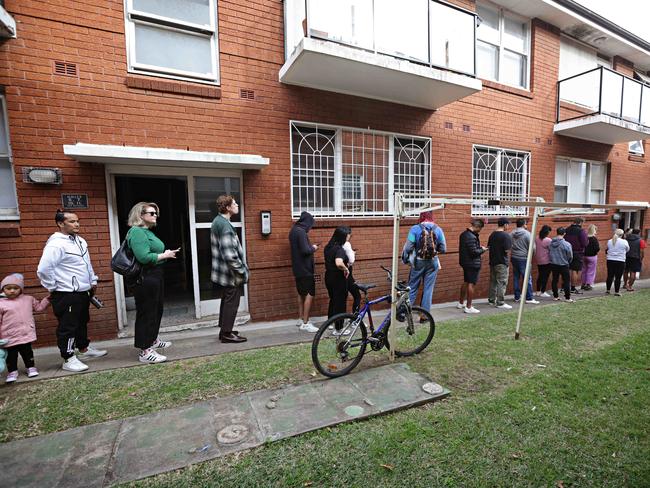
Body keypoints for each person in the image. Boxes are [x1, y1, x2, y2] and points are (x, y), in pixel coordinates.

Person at [37, 210, 107, 373]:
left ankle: (83, 349)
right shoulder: (56, 244)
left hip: (83, 291)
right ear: (61, 224)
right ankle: (68, 358)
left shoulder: (80, 241)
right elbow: (44, 269)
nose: (77, 224)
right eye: (72, 221)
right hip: (66, 293)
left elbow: (86, 263)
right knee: (68, 326)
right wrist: (54, 287)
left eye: (77, 221)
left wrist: (93, 280)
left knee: (82, 321)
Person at [127, 202, 179, 363]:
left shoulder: (146, 231)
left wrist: (164, 255)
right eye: (151, 213)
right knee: (147, 312)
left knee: (156, 309)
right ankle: (145, 350)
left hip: (154, 274)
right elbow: (143, 257)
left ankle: (153, 340)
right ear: (140, 215)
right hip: (145, 277)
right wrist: (165, 255)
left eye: (156, 213)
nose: (155, 215)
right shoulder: (136, 232)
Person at [211, 195, 249, 343]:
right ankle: (227, 334)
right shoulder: (225, 225)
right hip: (230, 273)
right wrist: (242, 270)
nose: (237, 205)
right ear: (227, 207)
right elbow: (229, 254)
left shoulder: (219, 221)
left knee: (227, 301)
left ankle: (225, 330)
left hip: (224, 273)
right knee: (232, 302)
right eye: (234, 203)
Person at [0, 273, 49, 383]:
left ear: (21, 289)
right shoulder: (1, 303)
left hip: (26, 333)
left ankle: (30, 367)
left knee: (27, 352)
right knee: (11, 356)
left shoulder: (28, 299)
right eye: (8, 288)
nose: (12, 291)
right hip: (9, 336)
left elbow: (39, 307)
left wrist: (48, 299)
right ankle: (12, 371)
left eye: (15, 288)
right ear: (3, 289)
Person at [401, 211, 446, 316]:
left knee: (412, 287)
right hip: (433, 262)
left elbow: (408, 247)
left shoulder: (415, 229)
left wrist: (406, 259)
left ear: (421, 216)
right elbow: (443, 249)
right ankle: (425, 316)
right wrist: (433, 250)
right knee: (428, 289)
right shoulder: (438, 229)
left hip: (418, 262)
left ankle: (404, 313)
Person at [289, 211, 319, 332]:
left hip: (297, 268)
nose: (310, 228)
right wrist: (314, 248)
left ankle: (301, 318)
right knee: (309, 294)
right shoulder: (300, 232)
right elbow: (306, 250)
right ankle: (306, 323)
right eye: (310, 224)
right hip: (305, 269)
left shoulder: (293, 230)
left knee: (301, 293)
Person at [457, 219, 487, 314]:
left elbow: (470, 249)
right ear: (477, 227)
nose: (480, 231)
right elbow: (473, 252)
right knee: (471, 283)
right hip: (472, 263)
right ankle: (469, 307)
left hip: (465, 262)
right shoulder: (471, 236)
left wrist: (479, 248)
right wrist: (482, 250)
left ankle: (461, 302)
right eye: (480, 229)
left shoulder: (464, 234)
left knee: (466, 282)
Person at [323, 226, 351, 326]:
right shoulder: (339, 249)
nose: (349, 237)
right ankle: (339, 328)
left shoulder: (328, 247)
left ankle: (329, 323)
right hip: (338, 278)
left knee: (333, 300)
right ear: (342, 237)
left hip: (328, 276)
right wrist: (346, 268)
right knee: (340, 302)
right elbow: (339, 262)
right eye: (348, 235)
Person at [510, 218, 539, 304]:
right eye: (526, 224)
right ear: (523, 225)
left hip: (514, 257)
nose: (526, 225)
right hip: (523, 258)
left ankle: (517, 297)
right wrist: (532, 256)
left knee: (516, 277)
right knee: (527, 278)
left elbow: (509, 244)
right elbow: (533, 247)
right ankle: (529, 298)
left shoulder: (511, 233)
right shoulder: (527, 234)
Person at [487, 218, 512, 310]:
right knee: (502, 282)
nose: (508, 226)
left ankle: (491, 300)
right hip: (501, 262)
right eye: (508, 225)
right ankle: (500, 303)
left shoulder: (492, 234)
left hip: (493, 261)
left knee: (493, 282)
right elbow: (507, 250)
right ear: (505, 225)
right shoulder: (506, 236)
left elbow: (489, 247)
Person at [564, 217, 588, 295]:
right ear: (580, 222)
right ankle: (573, 288)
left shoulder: (566, 229)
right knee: (575, 270)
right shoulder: (581, 231)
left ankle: (564, 287)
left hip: (566, 252)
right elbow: (584, 243)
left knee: (567, 269)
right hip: (577, 253)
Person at [549, 227, 574, 302]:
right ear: (564, 234)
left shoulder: (551, 243)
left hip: (554, 264)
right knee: (566, 281)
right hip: (564, 264)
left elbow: (549, 252)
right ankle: (567, 298)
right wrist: (568, 261)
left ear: (557, 232)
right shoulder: (567, 244)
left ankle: (555, 296)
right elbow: (570, 256)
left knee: (555, 280)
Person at [342, 230, 361, 314]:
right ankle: (355, 319)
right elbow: (351, 260)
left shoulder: (335, 244)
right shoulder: (346, 244)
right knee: (357, 296)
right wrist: (353, 253)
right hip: (347, 274)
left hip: (338, 275)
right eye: (349, 234)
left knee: (338, 299)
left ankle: (333, 321)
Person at [606, 229, 629, 296]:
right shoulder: (624, 242)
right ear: (622, 235)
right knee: (618, 277)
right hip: (620, 260)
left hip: (610, 260)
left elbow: (607, 249)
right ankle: (616, 292)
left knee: (610, 275)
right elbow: (627, 249)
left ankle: (608, 290)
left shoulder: (609, 241)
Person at [534, 225, 553, 297]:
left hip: (539, 260)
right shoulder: (548, 240)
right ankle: (543, 291)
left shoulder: (536, 238)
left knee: (540, 275)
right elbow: (551, 250)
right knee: (545, 276)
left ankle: (538, 291)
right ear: (547, 232)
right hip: (547, 260)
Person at [581, 224, 600, 291]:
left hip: (583, 256)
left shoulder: (585, 237)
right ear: (594, 230)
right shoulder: (594, 239)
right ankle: (588, 284)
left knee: (584, 270)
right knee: (591, 271)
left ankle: (583, 284)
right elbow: (597, 248)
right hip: (592, 256)